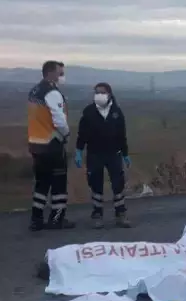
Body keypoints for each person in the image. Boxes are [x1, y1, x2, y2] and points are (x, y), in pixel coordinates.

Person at [75, 83, 131, 228]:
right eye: (97, 92)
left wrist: (125, 154)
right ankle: (97, 215)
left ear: (109, 94)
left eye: (102, 92)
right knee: (95, 184)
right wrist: (79, 151)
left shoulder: (117, 112)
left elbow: (121, 135)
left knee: (118, 184)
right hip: (95, 154)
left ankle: (120, 215)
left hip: (113, 154)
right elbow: (82, 134)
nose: (99, 95)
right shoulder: (89, 112)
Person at [27, 60, 74, 232]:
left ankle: (36, 220)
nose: (62, 76)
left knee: (41, 184)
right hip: (51, 144)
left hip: (35, 144)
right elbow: (59, 119)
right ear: (50, 73)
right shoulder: (52, 93)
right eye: (60, 73)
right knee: (59, 184)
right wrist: (67, 133)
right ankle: (57, 219)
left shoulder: (34, 91)